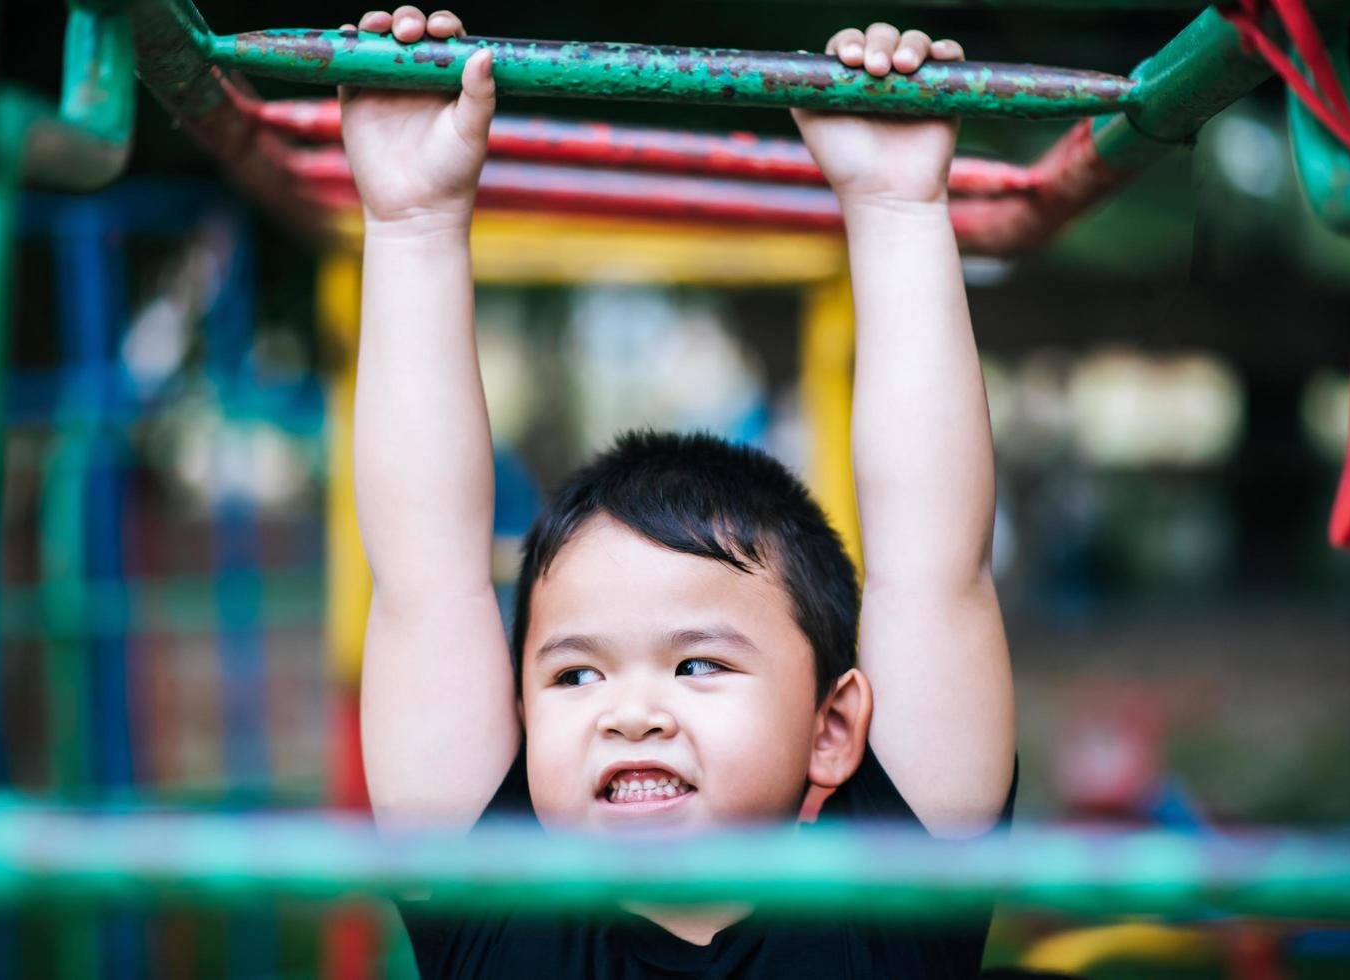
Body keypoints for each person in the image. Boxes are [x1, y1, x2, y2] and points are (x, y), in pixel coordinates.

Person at [343, 7, 1017, 977]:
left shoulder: (891, 888)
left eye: (697, 664)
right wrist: (409, 219)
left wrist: (896, 208)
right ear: (518, 720)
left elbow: (932, 568)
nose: (629, 712)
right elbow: (422, 577)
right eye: (574, 675)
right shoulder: (493, 894)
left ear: (832, 727)